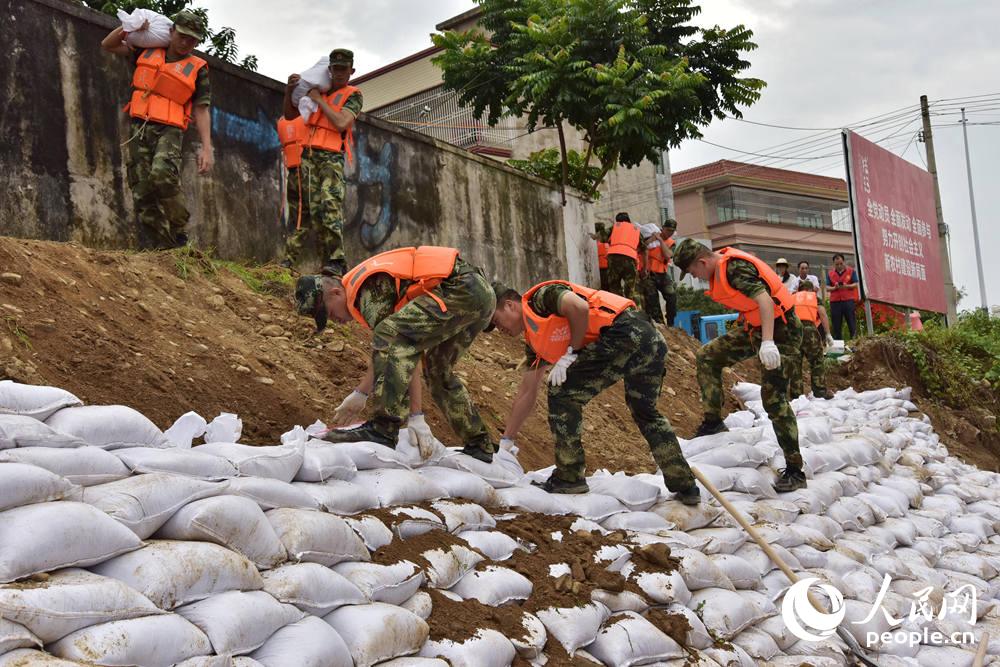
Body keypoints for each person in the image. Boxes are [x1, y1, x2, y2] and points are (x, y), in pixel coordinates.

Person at [488, 279, 701, 504]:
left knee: (562, 393)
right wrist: (507, 441)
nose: (498, 329)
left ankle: (569, 477)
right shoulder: (534, 344)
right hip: (648, 339)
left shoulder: (540, 298)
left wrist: (572, 351)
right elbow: (527, 392)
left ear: (510, 305)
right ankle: (685, 485)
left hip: (624, 331)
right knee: (645, 412)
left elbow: (578, 307)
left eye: (495, 320)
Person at [294, 246, 496, 462]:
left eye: (329, 312)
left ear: (335, 293)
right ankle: (479, 443)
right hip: (478, 294)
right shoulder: (363, 290)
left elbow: (400, 346)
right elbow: (403, 349)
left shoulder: (367, 290)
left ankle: (383, 428)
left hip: (460, 289)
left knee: (390, 334)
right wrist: (362, 393)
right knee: (437, 369)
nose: (334, 319)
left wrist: (416, 415)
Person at [673, 239, 806, 493]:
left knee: (773, 398)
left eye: (693, 272)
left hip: (782, 331)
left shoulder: (733, 269)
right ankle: (713, 421)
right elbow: (748, 302)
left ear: (702, 262)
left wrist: (768, 343)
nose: (696, 278)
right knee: (708, 355)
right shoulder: (720, 271)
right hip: (755, 328)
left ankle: (795, 469)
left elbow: (765, 301)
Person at [101, 10, 213, 250]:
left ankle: (179, 229)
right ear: (171, 32)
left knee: (162, 174)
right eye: (182, 36)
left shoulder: (198, 67)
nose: (186, 43)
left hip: (169, 130)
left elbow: (202, 109)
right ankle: (165, 246)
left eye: (192, 39)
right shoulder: (146, 51)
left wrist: (207, 147)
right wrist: (129, 27)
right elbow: (108, 45)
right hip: (139, 127)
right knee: (141, 190)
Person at [283, 49, 363, 277]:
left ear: (351, 71)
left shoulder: (353, 94)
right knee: (311, 211)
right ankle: (323, 263)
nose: (339, 74)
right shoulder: (320, 91)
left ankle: (337, 260)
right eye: (335, 69)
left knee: (330, 205)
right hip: (308, 155)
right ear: (329, 70)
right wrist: (289, 91)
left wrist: (319, 100)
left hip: (331, 157)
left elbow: (341, 123)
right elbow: (290, 116)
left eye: (343, 69)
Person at [789, 281, 835, 400]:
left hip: (793, 332)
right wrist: (828, 334)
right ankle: (820, 391)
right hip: (809, 331)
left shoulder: (792, 297)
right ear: (811, 289)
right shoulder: (814, 297)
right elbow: (823, 314)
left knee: (795, 364)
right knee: (816, 361)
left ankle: (796, 395)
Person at [277, 115, 307, 251]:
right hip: (305, 172)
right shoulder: (308, 116)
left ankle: (289, 257)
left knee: (297, 219)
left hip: (293, 172)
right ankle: (290, 257)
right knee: (302, 218)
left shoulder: (282, 121)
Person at [641, 219, 678, 327]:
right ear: (663, 228)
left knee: (672, 296)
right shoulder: (651, 235)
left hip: (662, 274)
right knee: (653, 301)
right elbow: (642, 246)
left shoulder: (671, 243)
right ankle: (659, 324)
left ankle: (670, 323)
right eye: (668, 230)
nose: (670, 233)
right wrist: (653, 238)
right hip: (649, 274)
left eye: (672, 231)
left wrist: (661, 241)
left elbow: (668, 255)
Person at [605, 212, 641, 302]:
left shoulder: (615, 226)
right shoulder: (636, 229)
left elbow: (602, 236)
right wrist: (644, 269)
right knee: (631, 289)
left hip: (614, 258)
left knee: (615, 286)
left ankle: (620, 308)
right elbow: (644, 249)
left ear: (617, 221)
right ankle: (635, 311)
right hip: (630, 259)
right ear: (629, 221)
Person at [827, 253, 859, 340]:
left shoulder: (851, 271)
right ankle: (838, 345)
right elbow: (827, 287)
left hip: (848, 301)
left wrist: (846, 286)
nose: (839, 266)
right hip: (835, 302)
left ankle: (854, 343)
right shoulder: (830, 273)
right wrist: (834, 287)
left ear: (843, 262)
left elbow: (855, 284)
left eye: (841, 263)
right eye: (837, 264)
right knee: (836, 325)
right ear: (834, 264)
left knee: (851, 323)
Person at [589, 222, 610, 291]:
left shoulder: (595, 245)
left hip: (602, 271)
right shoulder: (608, 242)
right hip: (610, 269)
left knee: (605, 289)